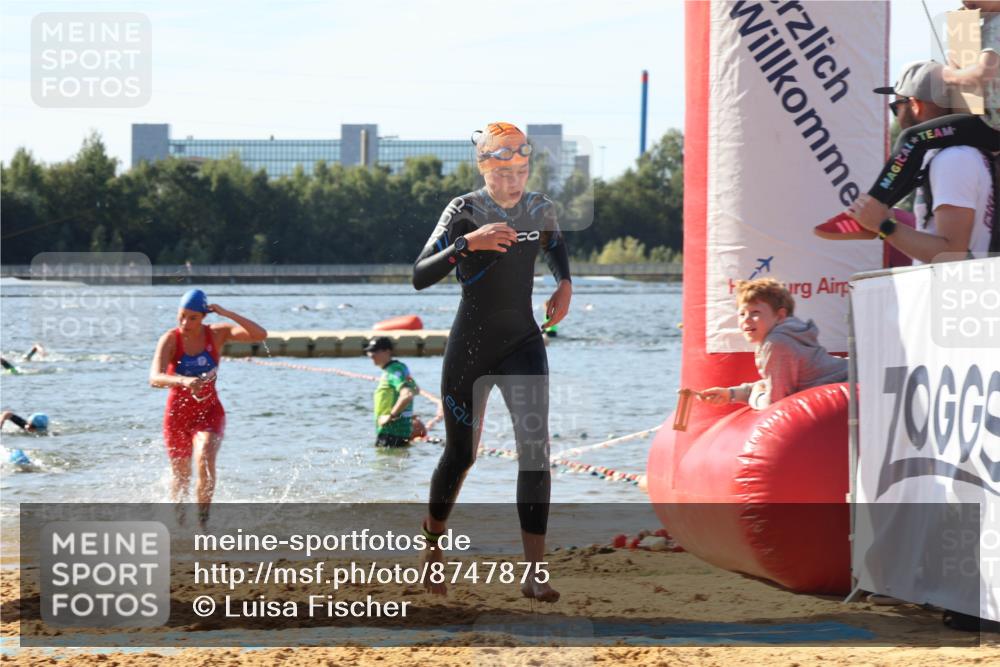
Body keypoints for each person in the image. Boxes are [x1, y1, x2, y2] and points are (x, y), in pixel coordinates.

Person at [412, 121, 572, 602]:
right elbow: (419, 274)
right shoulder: (463, 211)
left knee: (535, 451)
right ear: (486, 168)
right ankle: (433, 551)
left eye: (521, 170)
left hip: (523, 343)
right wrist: (467, 244)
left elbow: (556, 246)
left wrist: (564, 283)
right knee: (461, 455)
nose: (514, 181)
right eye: (504, 173)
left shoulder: (539, 207)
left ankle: (535, 573)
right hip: (471, 349)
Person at [817, 2, 999, 240]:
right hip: (990, 122)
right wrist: (959, 43)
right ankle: (874, 211)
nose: (966, 2)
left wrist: (946, 76)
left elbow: (984, 73)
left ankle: (871, 210)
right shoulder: (986, 23)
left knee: (913, 138)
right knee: (917, 149)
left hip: (992, 125)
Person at [149, 289, 267, 527]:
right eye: (181, 316)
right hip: (177, 413)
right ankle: (179, 524)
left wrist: (226, 313)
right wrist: (183, 380)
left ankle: (203, 525)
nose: (185, 322)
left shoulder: (217, 334)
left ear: (203, 316)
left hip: (209, 411)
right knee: (181, 475)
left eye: (192, 317)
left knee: (205, 457)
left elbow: (259, 334)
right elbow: (155, 377)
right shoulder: (171, 339)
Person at [698, 278, 847, 410]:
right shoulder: (788, 334)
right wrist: (730, 394)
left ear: (780, 315)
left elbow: (776, 403)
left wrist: (754, 396)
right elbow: (776, 385)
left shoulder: (776, 343)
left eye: (755, 312)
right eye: (742, 314)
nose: (747, 319)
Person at [365, 336, 426, 447]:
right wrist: (405, 413)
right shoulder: (401, 368)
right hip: (399, 432)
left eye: (375, 351)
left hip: (390, 432)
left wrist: (391, 416)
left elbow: (407, 395)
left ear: (387, 351)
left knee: (382, 463)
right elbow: (416, 389)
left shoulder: (393, 371)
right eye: (369, 351)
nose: (371, 355)